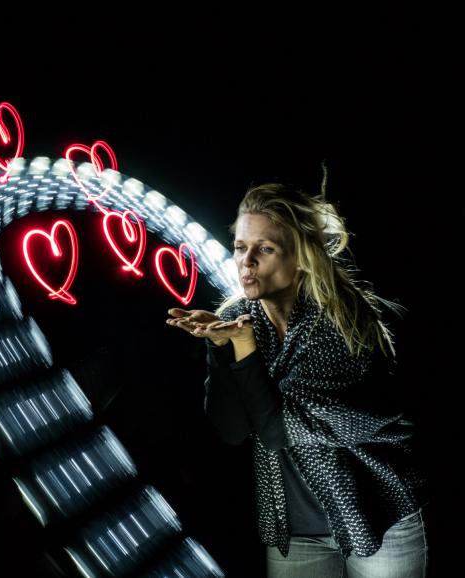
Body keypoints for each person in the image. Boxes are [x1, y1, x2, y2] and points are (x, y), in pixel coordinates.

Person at [166, 182, 428, 577]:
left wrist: (243, 346)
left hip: (377, 519)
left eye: (265, 249)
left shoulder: (340, 324)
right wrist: (221, 346)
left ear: (301, 258)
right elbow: (233, 429)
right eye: (240, 247)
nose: (246, 261)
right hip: (295, 531)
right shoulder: (240, 315)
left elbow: (275, 430)